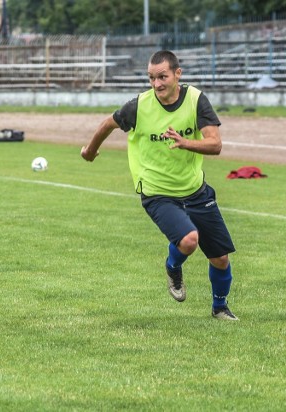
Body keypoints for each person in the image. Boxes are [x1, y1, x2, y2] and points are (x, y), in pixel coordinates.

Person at [81, 50, 238, 321]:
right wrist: (90, 151)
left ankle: (220, 308)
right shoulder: (139, 106)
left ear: (178, 73)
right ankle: (173, 266)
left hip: (194, 189)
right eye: (151, 78)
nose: (156, 84)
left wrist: (186, 142)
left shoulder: (196, 100)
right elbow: (109, 124)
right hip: (157, 192)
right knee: (189, 240)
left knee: (220, 258)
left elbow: (216, 144)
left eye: (162, 77)